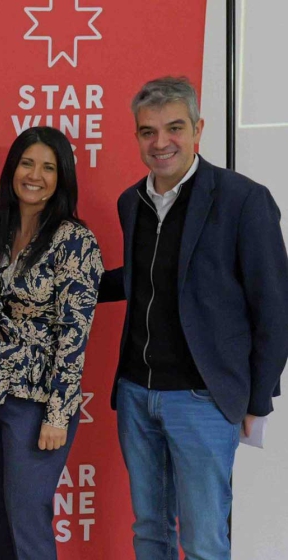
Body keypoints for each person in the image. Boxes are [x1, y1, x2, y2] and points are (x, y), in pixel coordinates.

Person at [99, 76, 288, 560]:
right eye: (147, 131)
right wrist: (71, 286)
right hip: (137, 395)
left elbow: (274, 304)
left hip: (204, 398)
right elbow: (145, 279)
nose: (161, 142)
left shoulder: (243, 199)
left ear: (199, 128)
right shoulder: (131, 202)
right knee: (150, 534)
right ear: (136, 135)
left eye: (174, 128)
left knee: (203, 542)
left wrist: (258, 397)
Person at [0, 126, 103, 560]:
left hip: (37, 405)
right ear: (12, 170)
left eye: (48, 166)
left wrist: (58, 413)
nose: (34, 175)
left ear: (62, 178)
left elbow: (74, 334)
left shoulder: (74, 241)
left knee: (28, 519)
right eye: (26, 163)